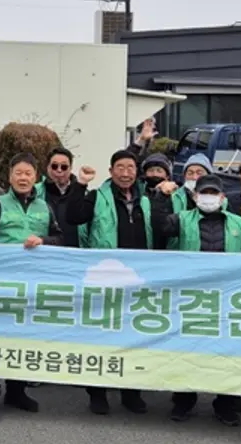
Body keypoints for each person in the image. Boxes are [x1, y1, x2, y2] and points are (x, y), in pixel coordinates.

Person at [0, 153, 63, 424]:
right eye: (18, 173)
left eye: (28, 173)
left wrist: (43, 240)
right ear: (9, 177)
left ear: (36, 177)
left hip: (31, 285)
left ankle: (16, 391)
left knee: (23, 338)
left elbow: (59, 237)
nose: (23, 178)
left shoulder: (44, 206)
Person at [153, 174, 241, 427]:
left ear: (222, 197)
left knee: (227, 352)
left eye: (213, 193)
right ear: (195, 196)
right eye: (204, 193)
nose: (209, 198)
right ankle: (184, 400)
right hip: (191, 297)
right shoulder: (182, 219)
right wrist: (161, 198)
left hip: (227, 296)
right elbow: (159, 226)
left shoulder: (238, 223)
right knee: (187, 350)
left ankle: (226, 403)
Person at [64, 149, 156, 416]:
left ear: (136, 172)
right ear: (111, 171)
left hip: (137, 281)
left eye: (130, 168)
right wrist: (80, 185)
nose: (125, 173)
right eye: (120, 167)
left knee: (134, 337)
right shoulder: (96, 197)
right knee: (101, 337)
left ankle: (131, 393)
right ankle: (97, 393)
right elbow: (73, 216)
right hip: (104, 279)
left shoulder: (146, 200)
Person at [35, 147, 82, 247]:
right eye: (54, 166)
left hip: (76, 252)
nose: (59, 170)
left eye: (64, 167)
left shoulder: (82, 193)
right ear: (48, 167)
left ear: (71, 168)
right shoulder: (34, 192)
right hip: (45, 251)